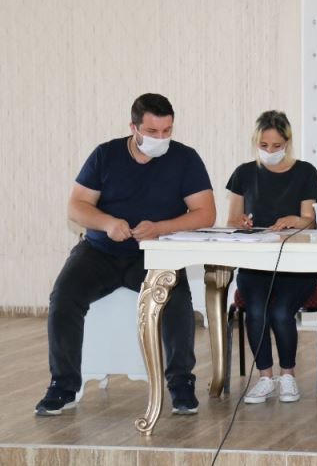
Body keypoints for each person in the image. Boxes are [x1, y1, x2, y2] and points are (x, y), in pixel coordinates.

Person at [35, 93, 216, 416]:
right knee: (63, 295)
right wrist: (107, 223)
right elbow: (76, 206)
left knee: (176, 299)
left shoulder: (185, 159)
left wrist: (160, 228)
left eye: (167, 131)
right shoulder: (105, 155)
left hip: (154, 253)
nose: (160, 138)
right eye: (152, 131)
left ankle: (180, 383)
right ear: (133, 128)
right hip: (100, 250)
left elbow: (206, 213)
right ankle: (63, 385)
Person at [226, 111, 317, 404]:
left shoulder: (305, 172)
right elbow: (231, 220)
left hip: (297, 266)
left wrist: (295, 220)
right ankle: (265, 378)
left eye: (277, 145)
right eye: (264, 145)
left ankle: (288, 376)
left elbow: (311, 221)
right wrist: (241, 223)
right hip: (256, 264)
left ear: (287, 142)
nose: (270, 151)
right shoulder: (244, 173)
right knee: (256, 310)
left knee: (281, 311)